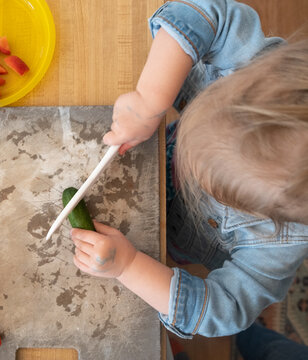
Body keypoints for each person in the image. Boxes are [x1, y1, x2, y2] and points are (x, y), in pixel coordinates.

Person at [69, 0, 308, 339]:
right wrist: (150, 100)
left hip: (168, 244)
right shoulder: (264, 72)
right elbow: (207, 13)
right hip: (152, 143)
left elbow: (225, 310)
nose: (191, 170)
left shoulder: (281, 245)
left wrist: (130, 265)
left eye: (210, 183)